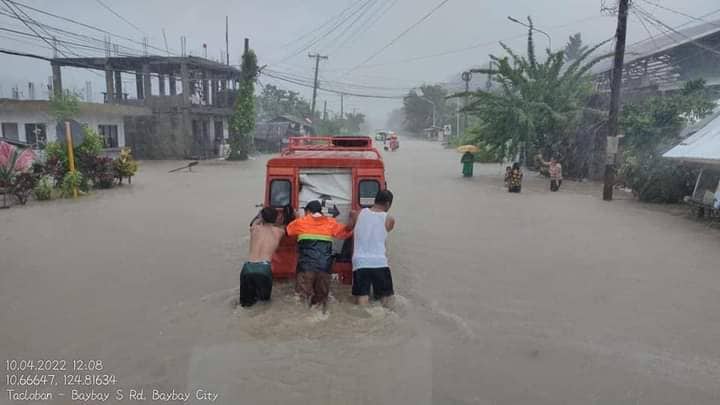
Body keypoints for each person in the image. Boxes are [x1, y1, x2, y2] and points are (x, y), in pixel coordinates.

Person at [286, 200, 354, 308]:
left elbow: (288, 231)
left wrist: (295, 217)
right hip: (324, 269)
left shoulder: (300, 222)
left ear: (307, 211)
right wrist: (352, 218)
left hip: (306, 268)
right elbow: (347, 231)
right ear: (320, 211)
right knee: (321, 303)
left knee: (302, 301)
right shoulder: (331, 222)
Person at [351, 190, 396, 305]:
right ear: (387, 204)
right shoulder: (390, 219)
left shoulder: (358, 213)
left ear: (374, 200)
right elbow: (384, 232)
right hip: (379, 262)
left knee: (362, 297)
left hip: (360, 263)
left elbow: (348, 227)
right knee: (385, 299)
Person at [240, 207, 285, 307]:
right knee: (263, 305)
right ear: (276, 218)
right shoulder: (279, 232)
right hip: (263, 269)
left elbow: (254, 221)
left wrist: (261, 214)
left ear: (262, 218)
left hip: (247, 267)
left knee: (245, 305)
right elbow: (285, 225)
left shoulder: (254, 228)